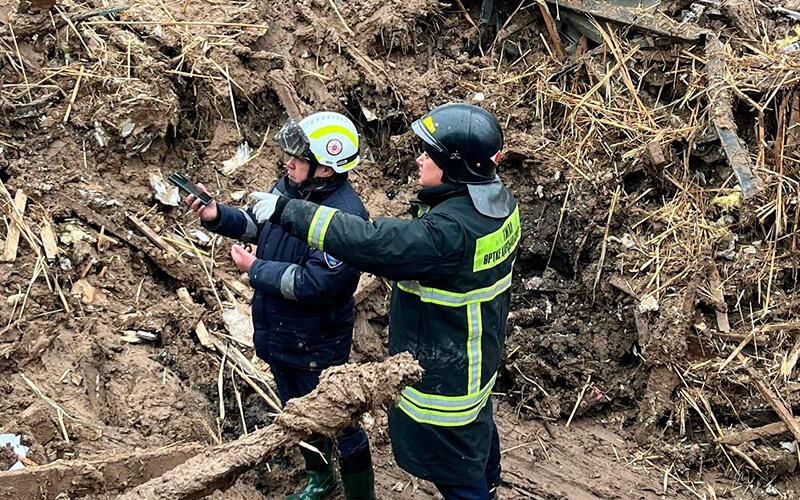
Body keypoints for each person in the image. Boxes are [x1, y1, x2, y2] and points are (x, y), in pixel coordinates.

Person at [248, 103, 519, 499]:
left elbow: (378, 244)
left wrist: (291, 212)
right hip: (476, 355)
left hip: (447, 372)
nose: (419, 157)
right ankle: (490, 483)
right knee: (477, 438)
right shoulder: (497, 204)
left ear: (456, 166)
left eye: (430, 153)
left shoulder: (448, 233)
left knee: (456, 473)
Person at [186, 112, 374, 500]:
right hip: (281, 334)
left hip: (315, 344)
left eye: (298, 158)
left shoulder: (345, 217)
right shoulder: (290, 187)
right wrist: (217, 215)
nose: (288, 163)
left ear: (325, 167)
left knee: (340, 422)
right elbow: (260, 223)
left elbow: (318, 283)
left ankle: (361, 495)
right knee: (299, 415)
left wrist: (257, 269)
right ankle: (321, 481)